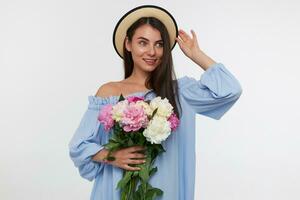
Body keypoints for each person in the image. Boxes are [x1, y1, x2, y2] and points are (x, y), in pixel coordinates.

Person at [68, 5, 242, 200]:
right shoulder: (110, 93)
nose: (152, 51)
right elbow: (79, 145)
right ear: (128, 44)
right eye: (143, 43)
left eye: (159, 44)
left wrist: (196, 55)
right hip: (116, 191)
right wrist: (112, 156)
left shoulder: (179, 92)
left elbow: (230, 90)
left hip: (165, 191)